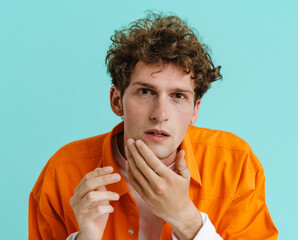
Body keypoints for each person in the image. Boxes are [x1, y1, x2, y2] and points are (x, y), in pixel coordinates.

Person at [29, 12, 278, 240]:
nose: (160, 114)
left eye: (178, 96)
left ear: (195, 110)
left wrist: (187, 219)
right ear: (117, 101)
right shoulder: (63, 171)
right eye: (146, 91)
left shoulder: (234, 165)